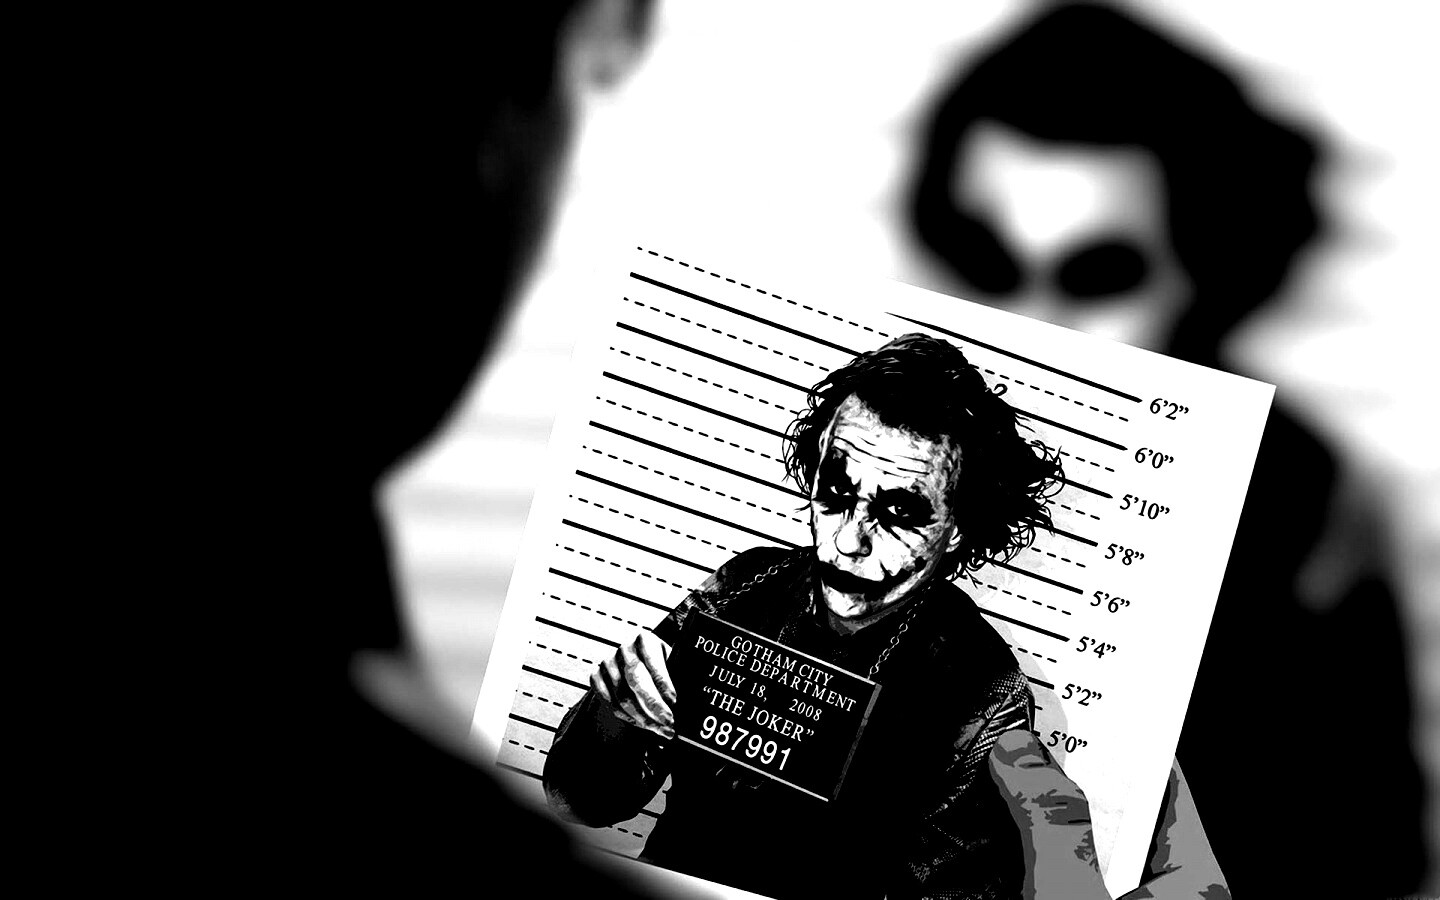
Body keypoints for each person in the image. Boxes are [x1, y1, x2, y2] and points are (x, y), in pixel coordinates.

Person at [903, 4, 1424, 896]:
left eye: (1100, 276)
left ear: (1207, 270)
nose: (1033, 328)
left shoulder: (1306, 518)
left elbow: (1369, 858)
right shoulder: (872, 434)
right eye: (989, 265)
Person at [545, 333, 1167, 899]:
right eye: (836, 494)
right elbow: (578, 801)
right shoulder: (746, 586)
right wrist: (616, 720)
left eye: (899, 514)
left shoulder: (980, 692)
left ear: (959, 527)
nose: (847, 542)